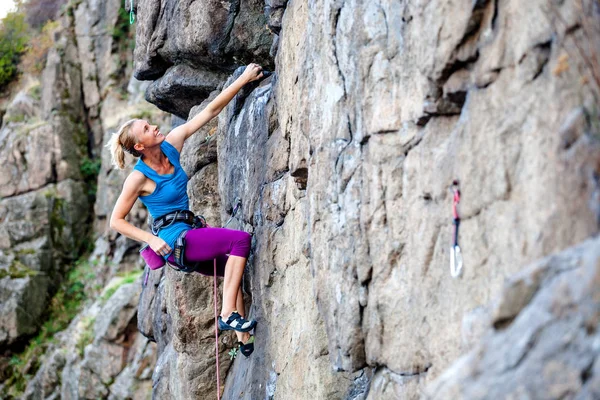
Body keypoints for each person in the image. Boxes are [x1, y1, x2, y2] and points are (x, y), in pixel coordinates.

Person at [107, 63, 264, 356]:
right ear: (140, 146)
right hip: (175, 243)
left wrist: (243, 79)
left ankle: (243, 338)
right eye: (146, 128)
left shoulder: (171, 145)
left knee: (234, 262)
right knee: (240, 241)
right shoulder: (138, 178)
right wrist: (151, 239)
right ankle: (228, 314)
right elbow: (116, 221)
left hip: (187, 236)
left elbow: (209, 112)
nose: (154, 126)